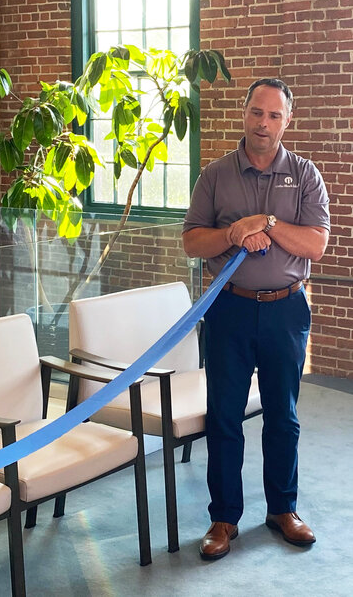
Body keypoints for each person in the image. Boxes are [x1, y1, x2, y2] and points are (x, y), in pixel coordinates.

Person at [183, 78, 330, 561]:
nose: (262, 123)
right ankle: (224, 517)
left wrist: (265, 222)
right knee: (225, 415)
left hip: (287, 309)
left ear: (288, 121)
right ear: (244, 114)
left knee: (282, 416)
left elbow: (316, 244)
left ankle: (282, 509)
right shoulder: (216, 176)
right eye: (255, 112)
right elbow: (192, 242)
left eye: (273, 115)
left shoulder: (306, 175)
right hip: (228, 309)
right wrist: (233, 232)